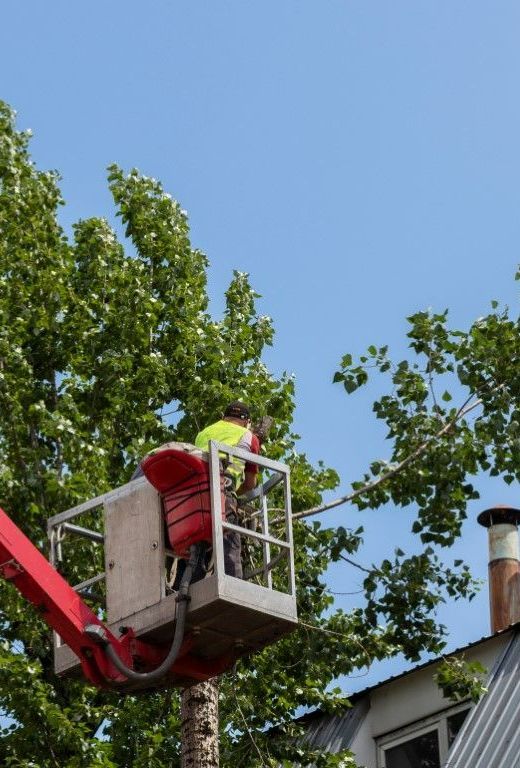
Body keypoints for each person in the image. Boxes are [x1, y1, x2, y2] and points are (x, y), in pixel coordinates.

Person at [194, 401, 260, 578]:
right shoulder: (248, 436)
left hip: (194, 497)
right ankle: (233, 584)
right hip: (223, 495)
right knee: (229, 548)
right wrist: (233, 494)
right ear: (247, 422)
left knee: (196, 549)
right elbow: (250, 483)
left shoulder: (203, 433)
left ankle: (185, 587)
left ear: (223, 418)